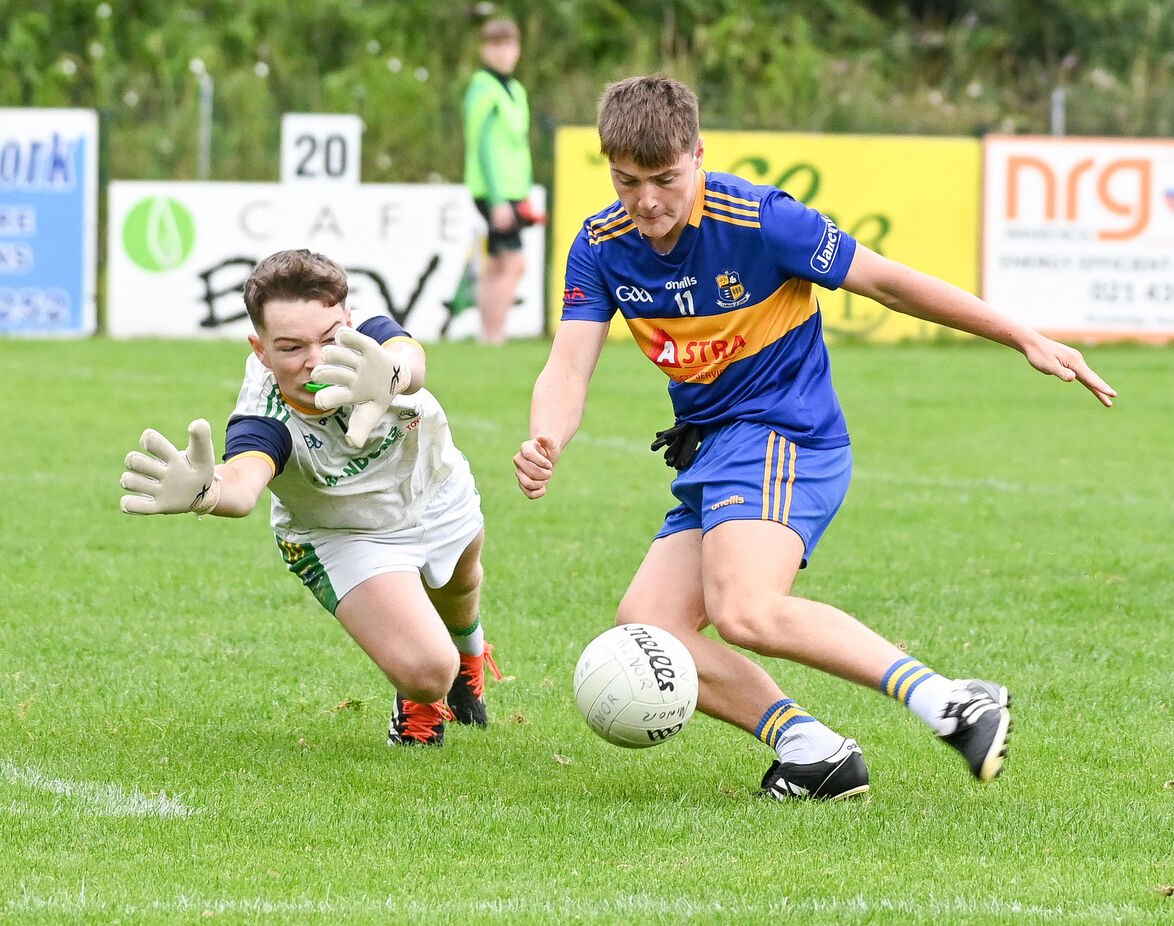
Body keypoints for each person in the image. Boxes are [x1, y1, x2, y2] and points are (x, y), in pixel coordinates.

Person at [514, 76, 1117, 800]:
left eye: (665, 179)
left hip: (783, 434)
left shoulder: (761, 220)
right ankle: (812, 748)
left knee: (744, 609)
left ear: (698, 155)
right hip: (712, 449)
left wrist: (1020, 335)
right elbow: (568, 364)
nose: (646, 201)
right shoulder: (602, 244)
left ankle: (953, 701)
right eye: (626, 181)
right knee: (649, 625)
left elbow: (888, 283)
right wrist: (545, 437)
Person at [119, 248, 499, 747]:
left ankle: (471, 659)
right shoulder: (264, 414)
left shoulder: (365, 336)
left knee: (461, 584)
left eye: (327, 337)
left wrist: (392, 375)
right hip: (343, 532)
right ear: (260, 349)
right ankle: (421, 698)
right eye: (291, 347)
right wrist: (207, 492)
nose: (315, 359)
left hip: (433, 483)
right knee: (430, 669)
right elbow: (243, 484)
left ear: (346, 317)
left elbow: (412, 359)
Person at [461, 16, 541, 344]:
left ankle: (489, 335)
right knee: (515, 262)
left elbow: (516, 145)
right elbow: (484, 147)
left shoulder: (515, 89)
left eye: (508, 45)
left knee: (496, 263)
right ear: (484, 50)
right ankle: (495, 335)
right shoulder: (484, 88)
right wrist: (497, 200)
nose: (503, 53)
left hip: (513, 190)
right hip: (495, 191)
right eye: (496, 45)